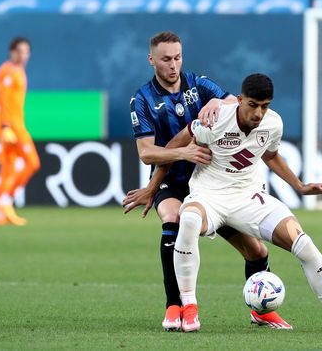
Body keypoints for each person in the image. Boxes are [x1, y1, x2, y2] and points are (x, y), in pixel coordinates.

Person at [142, 73, 322, 333]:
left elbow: (271, 155)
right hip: (209, 196)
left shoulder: (273, 124)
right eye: (252, 104)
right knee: (190, 219)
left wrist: (300, 186)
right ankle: (189, 307)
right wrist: (152, 188)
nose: (258, 113)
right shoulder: (214, 121)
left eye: (265, 106)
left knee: (304, 245)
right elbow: (174, 147)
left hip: (248, 197)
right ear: (239, 100)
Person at [123, 31, 290, 331]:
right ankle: (175, 306)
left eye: (177, 57)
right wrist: (178, 158)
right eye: (166, 59)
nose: (173, 65)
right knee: (173, 217)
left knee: (257, 252)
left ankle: (261, 312)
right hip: (172, 181)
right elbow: (147, 153)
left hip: (215, 186)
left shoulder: (199, 84)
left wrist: (218, 103)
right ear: (152, 60)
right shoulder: (142, 99)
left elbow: (235, 103)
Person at [0, 37, 40, 226]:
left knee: (8, 167)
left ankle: (1, 211)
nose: (24, 55)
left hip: (15, 124)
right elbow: (2, 98)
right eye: (20, 51)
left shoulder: (19, 70)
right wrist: (4, 126)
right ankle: (5, 201)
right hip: (11, 126)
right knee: (32, 162)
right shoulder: (7, 70)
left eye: (27, 51)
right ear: (12, 52)